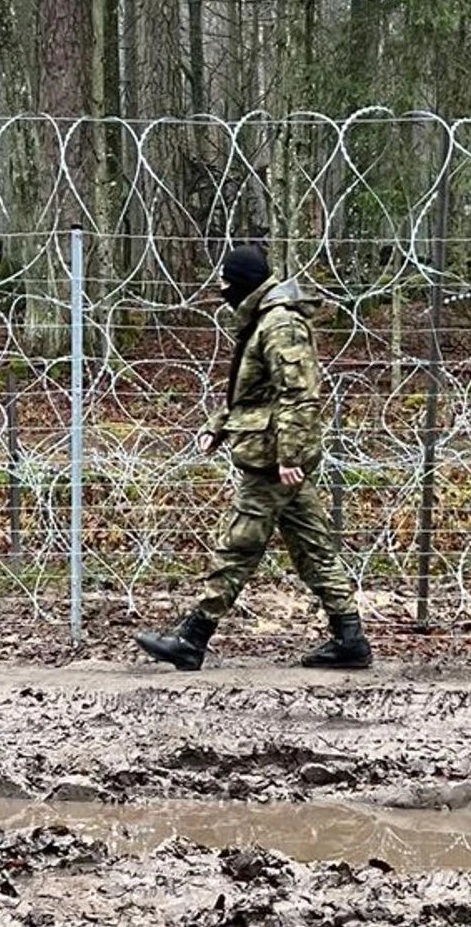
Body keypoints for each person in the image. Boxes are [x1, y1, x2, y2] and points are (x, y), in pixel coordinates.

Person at [134, 244, 373, 671]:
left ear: (243, 282)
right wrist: (218, 426)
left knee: (238, 546)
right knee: (312, 545)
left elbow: (299, 395)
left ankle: (193, 638)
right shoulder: (262, 320)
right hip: (268, 449)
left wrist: (290, 455)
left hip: (271, 459)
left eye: (225, 280)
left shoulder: (280, 325)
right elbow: (251, 392)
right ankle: (350, 638)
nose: (220, 287)